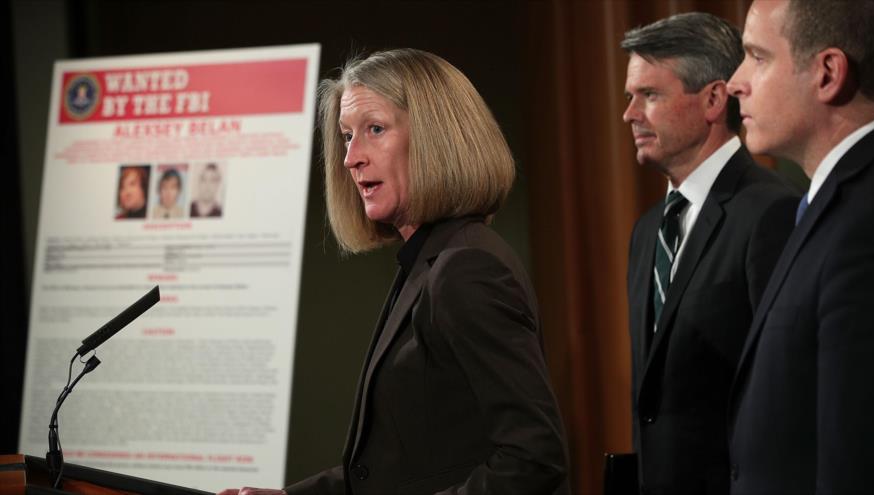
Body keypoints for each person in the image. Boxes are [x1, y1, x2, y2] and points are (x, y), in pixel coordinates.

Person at [219, 49, 569, 495]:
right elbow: (394, 470)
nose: (351, 158)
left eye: (375, 129)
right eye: (347, 136)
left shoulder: (467, 269)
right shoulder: (430, 259)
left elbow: (533, 460)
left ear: (434, 137)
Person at [621, 12, 798, 494]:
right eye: (630, 98)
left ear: (715, 99)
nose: (630, 114)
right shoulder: (645, 233)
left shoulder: (770, 212)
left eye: (650, 95)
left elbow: (783, 391)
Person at [725, 1, 874, 493]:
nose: (735, 81)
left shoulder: (867, 220)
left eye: (758, 56)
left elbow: (856, 462)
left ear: (828, 73)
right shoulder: (834, 205)